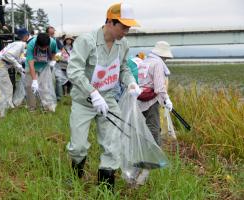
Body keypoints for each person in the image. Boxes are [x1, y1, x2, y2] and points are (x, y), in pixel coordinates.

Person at [66, 3, 141, 191]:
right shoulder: (87, 41)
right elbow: (74, 71)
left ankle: (106, 188)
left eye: (128, 28)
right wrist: (92, 92)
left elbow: (123, 67)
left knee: (113, 143)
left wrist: (131, 83)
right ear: (109, 22)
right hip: (84, 100)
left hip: (108, 98)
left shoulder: (122, 44)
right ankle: (77, 176)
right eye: (123, 27)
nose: (126, 31)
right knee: (78, 146)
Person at [137, 41, 173, 146]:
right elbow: (159, 87)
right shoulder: (157, 63)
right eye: (165, 58)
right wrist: (167, 99)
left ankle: (144, 151)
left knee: (143, 127)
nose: (166, 60)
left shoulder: (145, 61)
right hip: (151, 101)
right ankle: (155, 155)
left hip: (140, 99)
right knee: (154, 127)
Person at [25, 32, 58, 112]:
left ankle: (47, 106)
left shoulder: (52, 42)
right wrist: (34, 80)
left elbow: (54, 52)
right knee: (30, 87)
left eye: (45, 47)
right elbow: (31, 65)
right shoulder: (31, 45)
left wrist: (53, 61)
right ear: (37, 44)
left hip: (44, 65)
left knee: (45, 86)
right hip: (32, 66)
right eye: (41, 48)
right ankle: (32, 108)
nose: (43, 49)